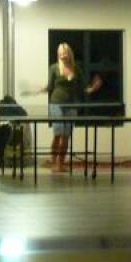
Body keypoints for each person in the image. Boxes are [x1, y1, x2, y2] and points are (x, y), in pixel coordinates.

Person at [40, 43, 102, 173]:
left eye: (64, 53)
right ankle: (53, 161)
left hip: (72, 105)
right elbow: (50, 86)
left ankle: (60, 164)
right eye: (60, 53)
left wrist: (93, 88)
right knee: (58, 134)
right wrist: (41, 89)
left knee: (66, 135)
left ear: (69, 54)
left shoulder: (76, 68)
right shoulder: (54, 68)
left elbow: (85, 87)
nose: (62, 55)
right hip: (56, 103)